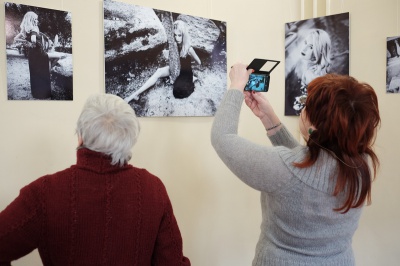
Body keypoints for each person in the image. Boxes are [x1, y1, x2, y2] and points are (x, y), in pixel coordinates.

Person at [211, 63, 380, 266]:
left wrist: (236, 86)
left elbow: (222, 137)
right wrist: (268, 117)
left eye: (305, 105)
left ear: (315, 126)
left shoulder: (282, 168)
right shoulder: (362, 165)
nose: (302, 109)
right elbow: (307, 165)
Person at [0, 93, 191, 266]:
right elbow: (171, 262)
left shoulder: (44, 192)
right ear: (129, 139)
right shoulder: (153, 189)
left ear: (80, 137)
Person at [124, 20, 201, 102]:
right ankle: (134, 95)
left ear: (184, 35)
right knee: (159, 71)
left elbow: (199, 62)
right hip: (174, 67)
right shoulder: (174, 44)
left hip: (184, 73)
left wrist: (191, 70)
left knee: (178, 91)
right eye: (175, 35)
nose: (177, 38)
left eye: (179, 35)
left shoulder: (189, 48)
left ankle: (192, 79)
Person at [286, 28, 332, 114]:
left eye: (311, 47)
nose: (305, 48)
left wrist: (299, 102)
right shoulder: (317, 69)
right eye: (305, 43)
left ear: (318, 51)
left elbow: (314, 103)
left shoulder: (310, 75)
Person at [13, 11, 53, 99]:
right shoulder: (34, 28)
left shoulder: (25, 30)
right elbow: (34, 39)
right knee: (42, 73)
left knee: (35, 73)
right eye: (35, 19)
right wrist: (32, 41)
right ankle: (44, 94)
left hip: (32, 54)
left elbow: (15, 39)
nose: (37, 21)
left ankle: (36, 94)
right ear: (31, 20)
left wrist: (26, 41)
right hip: (39, 53)